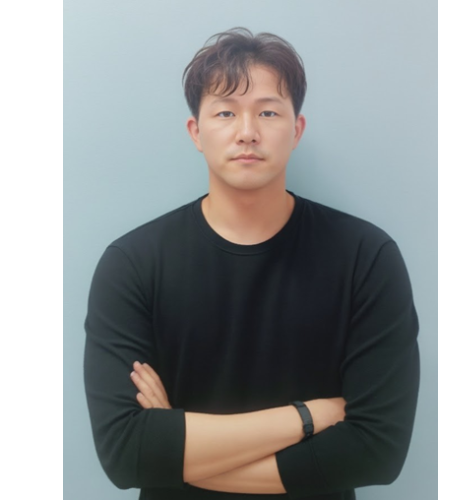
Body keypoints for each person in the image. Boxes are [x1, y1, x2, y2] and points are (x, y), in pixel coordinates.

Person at [84, 27, 420, 500]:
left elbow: (377, 451)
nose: (247, 132)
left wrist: (174, 453)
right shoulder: (132, 264)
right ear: (196, 132)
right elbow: (125, 453)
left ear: (296, 130)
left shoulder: (366, 257)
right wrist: (311, 416)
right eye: (225, 112)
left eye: (268, 111)